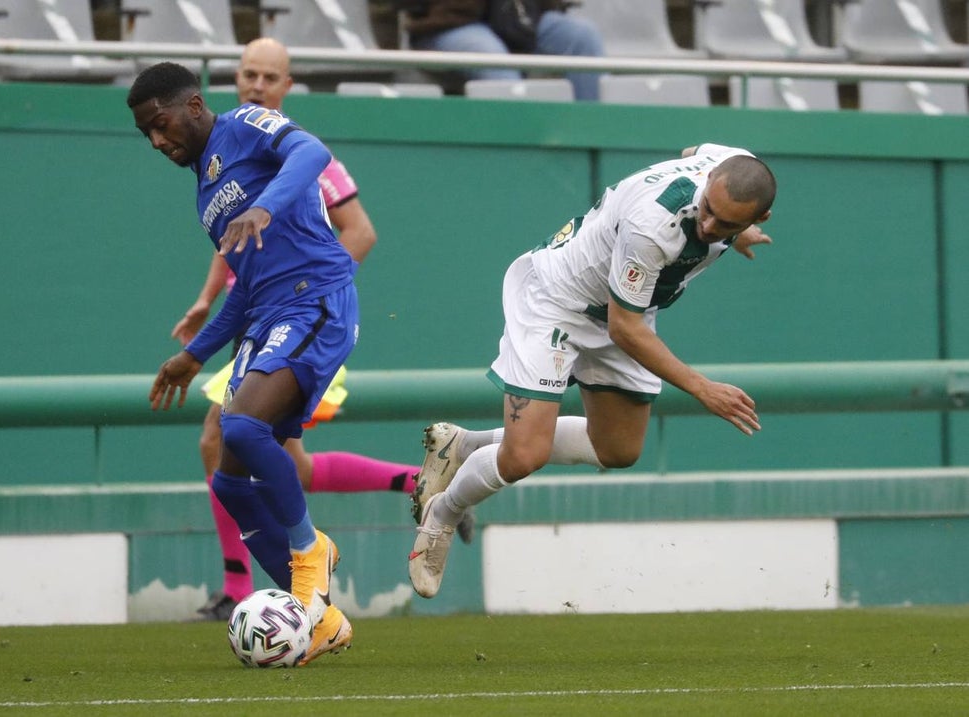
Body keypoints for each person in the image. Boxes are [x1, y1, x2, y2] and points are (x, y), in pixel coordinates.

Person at [173, 38, 474, 624]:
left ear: (288, 87)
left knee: (224, 435)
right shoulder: (221, 160)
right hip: (257, 318)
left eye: (270, 78)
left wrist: (307, 292)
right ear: (232, 80)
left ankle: (243, 586)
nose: (257, 86)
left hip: (302, 315)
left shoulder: (302, 154)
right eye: (248, 75)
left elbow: (359, 231)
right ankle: (417, 488)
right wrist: (207, 300)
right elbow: (236, 245)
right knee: (288, 465)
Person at [408, 143, 777, 598]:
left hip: (621, 308)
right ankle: (441, 515)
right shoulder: (653, 228)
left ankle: (461, 447)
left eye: (727, 222)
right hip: (559, 302)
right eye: (707, 211)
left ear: (760, 218)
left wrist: (732, 235)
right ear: (708, 183)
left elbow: (691, 150)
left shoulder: (730, 159)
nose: (709, 226)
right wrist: (703, 389)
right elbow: (626, 330)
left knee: (618, 448)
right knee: (525, 456)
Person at [130, 60, 356, 665]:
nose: (157, 140)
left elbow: (310, 151)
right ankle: (324, 619)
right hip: (267, 317)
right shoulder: (206, 190)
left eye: (161, 123)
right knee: (229, 479)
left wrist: (267, 206)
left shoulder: (247, 123)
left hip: (315, 301)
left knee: (241, 426)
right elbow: (246, 289)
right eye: (146, 133)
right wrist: (192, 355)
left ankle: (311, 554)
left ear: (194, 105)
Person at [403, 0, 604, 101]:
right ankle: (525, 150)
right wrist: (388, 47)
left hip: (520, 19)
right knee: (494, 59)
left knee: (581, 35)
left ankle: (596, 139)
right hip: (446, 24)